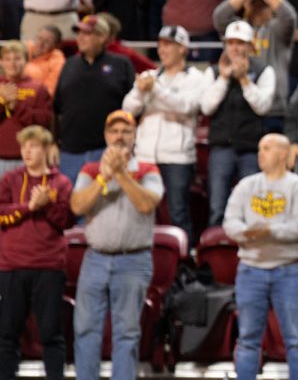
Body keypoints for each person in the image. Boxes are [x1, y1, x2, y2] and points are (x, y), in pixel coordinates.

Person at [68, 110, 163, 380]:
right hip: (95, 258)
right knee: (85, 328)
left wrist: (122, 175)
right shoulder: (90, 168)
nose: (119, 135)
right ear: (106, 136)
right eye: (114, 131)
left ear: (135, 136)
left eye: (126, 130)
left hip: (133, 260)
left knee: (127, 330)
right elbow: (77, 205)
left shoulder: (148, 168)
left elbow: (148, 203)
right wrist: (103, 177)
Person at [222, 133, 298, 380]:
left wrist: (268, 231)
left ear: (283, 154)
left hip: (289, 270)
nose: (260, 153)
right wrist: (248, 233)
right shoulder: (246, 185)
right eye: (260, 147)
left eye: (266, 148)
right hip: (250, 270)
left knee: (296, 338)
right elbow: (230, 223)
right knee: (248, 338)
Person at [0, 124, 73, 380]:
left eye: (32, 146)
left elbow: (66, 220)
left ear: (45, 148)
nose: (27, 151)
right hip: (11, 266)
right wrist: (30, 208)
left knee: (51, 332)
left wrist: (46, 206)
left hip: (48, 266)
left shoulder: (61, 183)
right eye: (23, 146)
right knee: (6, 332)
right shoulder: (9, 179)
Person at [121, 26, 209, 242]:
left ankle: (184, 264)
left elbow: (186, 106)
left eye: (168, 44)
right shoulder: (149, 76)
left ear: (183, 49)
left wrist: (155, 90)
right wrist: (141, 91)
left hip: (177, 156)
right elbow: (127, 108)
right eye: (160, 44)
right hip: (145, 155)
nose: (162, 49)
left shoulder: (196, 78)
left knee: (178, 212)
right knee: (142, 210)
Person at [201, 20, 276, 228]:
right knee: (217, 205)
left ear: (250, 46)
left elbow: (263, 106)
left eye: (240, 43)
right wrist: (224, 79)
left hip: (251, 149)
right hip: (221, 148)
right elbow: (206, 107)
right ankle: (217, 253)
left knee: (252, 205)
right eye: (231, 42)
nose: (235, 48)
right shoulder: (213, 72)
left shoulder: (263, 71)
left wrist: (244, 80)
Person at [213, 0, 297, 127]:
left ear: (271, 6)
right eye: (253, 3)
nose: (257, 8)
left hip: (273, 110)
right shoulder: (237, 30)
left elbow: (289, 17)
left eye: (263, 4)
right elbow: (219, 17)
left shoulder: (277, 30)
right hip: (239, 109)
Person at [55, 16, 135, 184]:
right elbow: (57, 107)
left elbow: (134, 110)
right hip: (70, 151)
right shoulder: (69, 65)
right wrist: (53, 143)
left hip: (107, 149)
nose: (80, 38)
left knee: (104, 202)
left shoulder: (121, 64)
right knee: (71, 203)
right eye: (79, 33)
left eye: (87, 33)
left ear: (102, 37)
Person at [0, 40, 53, 176]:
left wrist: (16, 105)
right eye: (7, 59)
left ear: (26, 60)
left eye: (17, 58)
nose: (12, 63)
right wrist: (2, 102)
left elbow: (44, 121)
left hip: (27, 159)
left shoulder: (38, 88)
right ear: (1, 62)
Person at [24, 26, 64, 97]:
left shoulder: (57, 60)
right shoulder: (25, 47)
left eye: (47, 42)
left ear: (55, 46)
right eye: (39, 38)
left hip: (35, 98)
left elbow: (49, 92)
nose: (40, 44)